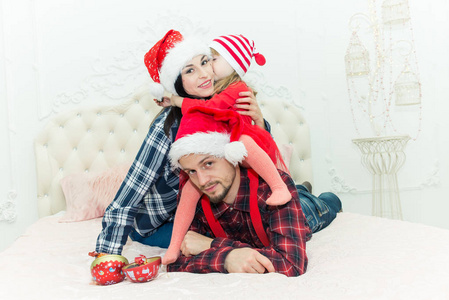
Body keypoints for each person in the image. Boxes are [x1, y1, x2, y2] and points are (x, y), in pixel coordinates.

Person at [94, 30, 267, 255]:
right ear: (178, 83)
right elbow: (132, 190)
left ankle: (319, 200)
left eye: (205, 62)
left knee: (286, 218)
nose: (204, 74)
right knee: (240, 240)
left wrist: (259, 121)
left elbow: (261, 162)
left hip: (215, 213)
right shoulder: (167, 127)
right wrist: (106, 254)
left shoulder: (229, 104)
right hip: (163, 223)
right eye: (190, 70)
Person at [159, 34, 292, 264]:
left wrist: (176, 101)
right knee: (189, 193)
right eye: (192, 69)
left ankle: (288, 190)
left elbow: (213, 108)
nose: (207, 68)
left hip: (249, 153)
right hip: (233, 192)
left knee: (312, 209)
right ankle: (172, 248)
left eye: (210, 60)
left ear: (232, 64)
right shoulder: (175, 122)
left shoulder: (236, 88)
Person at [165, 107, 310, 276]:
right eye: (192, 171)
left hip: (308, 214)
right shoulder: (192, 197)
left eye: (208, 164)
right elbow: (175, 263)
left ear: (231, 155)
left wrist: (213, 246)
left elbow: (291, 263)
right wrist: (228, 258)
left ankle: (310, 193)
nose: (203, 181)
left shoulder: (272, 187)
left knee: (320, 204)